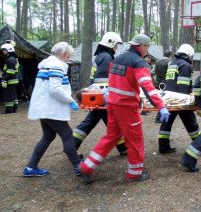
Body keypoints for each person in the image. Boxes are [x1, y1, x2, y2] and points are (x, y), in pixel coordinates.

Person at [79, 34, 170, 183]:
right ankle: (135, 173)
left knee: (111, 137)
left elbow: (119, 82)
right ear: (142, 46)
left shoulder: (117, 59)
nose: (147, 50)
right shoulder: (139, 63)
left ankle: (87, 166)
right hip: (127, 108)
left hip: (113, 104)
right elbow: (148, 87)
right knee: (135, 139)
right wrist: (161, 106)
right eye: (147, 47)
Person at [23, 42, 81, 177]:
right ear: (64, 55)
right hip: (50, 109)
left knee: (48, 136)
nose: (68, 59)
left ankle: (30, 167)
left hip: (44, 108)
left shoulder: (47, 64)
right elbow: (55, 89)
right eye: (68, 57)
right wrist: (70, 100)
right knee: (67, 134)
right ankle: (78, 166)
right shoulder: (57, 65)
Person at [73, 32, 127, 155]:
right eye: (116, 45)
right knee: (106, 122)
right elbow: (104, 81)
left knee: (98, 121)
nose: (116, 48)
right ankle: (71, 145)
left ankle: (123, 147)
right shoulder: (106, 57)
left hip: (98, 96)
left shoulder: (101, 56)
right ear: (110, 43)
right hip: (102, 96)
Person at [158, 44, 200, 154]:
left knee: (167, 122)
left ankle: (163, 146)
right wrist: (187, 101)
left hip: (168, 97)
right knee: (191, 121)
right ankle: (199, 144)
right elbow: (183, 85)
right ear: (189, 55)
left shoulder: (172, 63)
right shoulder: (185, 65)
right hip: (179, 99)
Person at [153, 50, 172, 123]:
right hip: (166, 83)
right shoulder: (169, 63)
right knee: (164, 99)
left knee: (160, 98)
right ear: (170, 56)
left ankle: (160, 116)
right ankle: (159, 117)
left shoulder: (157, 62)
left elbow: (152, 72)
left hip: (158, 83)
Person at [1, 43, 19, 114]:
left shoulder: (10, 60)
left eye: (4, 50)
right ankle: (14, 109)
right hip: (13, 80)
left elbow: (10, 71)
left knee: (8, 96)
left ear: (8, 50)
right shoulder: (13, 58)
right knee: (13, 95)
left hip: (10, 80)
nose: (3, 51)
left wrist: (4, 79)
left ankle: (9, 110)